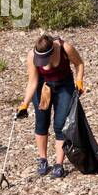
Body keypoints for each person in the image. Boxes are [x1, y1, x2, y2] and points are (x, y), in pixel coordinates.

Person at [16, 34, 85, 179]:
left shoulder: (66, 48)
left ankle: (59, 164)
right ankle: (43, 159)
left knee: (60, 125)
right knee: (41, 122)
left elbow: (79, 64)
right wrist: (24, 104)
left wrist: (79, 81)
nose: (43, 62)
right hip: (42, 87)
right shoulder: (32, 56)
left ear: (53, 50)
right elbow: (32, 82)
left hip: (64, 86)